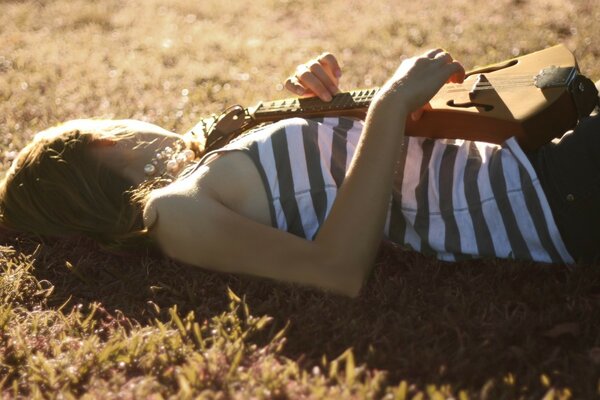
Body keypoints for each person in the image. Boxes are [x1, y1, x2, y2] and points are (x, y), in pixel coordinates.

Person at [0, 49, 598, 297]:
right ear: (101, 141)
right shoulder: (173, 213)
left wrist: (329, 107)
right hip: (537, 199)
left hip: (524, 165)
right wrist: (388, 104)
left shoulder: (212, 161)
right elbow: (336, 270)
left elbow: (359, 175)